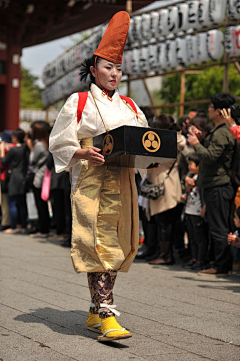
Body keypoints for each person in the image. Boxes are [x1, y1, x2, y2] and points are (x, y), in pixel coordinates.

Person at [49, 12, 148, 342]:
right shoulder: (78, 102)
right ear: (93, 69)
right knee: (98, 244)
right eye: (108, 67)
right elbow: (60, 142)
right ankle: (106, 311)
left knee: (119, 243)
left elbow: (146, 141)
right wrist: (81, 152)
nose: (115, 74)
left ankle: (94, 311)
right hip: (91, 179)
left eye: (119, 68)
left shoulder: (131, 106)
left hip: (122, 180)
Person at [188, 93, 235, 276]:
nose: (208, 110)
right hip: (213, 185)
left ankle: (221, 266)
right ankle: (221, 264)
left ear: (219, 111)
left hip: (218, 186)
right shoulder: (218, 130)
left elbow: (209, 157)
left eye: (210, 107)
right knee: (216, 227)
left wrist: (196, 144)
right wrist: (201, 139)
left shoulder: (223, 132)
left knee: (219, 228)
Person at [145, 114, 186, 266]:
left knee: (164, 222)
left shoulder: (162, 141)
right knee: (170, 221)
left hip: (162, 183)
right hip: (171, 182)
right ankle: (169, 253)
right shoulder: (177, 139)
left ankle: (166, 256)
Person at [182, 153, 208, 270]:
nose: (189, 166)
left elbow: (205, 195)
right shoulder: (190, 176)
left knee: (200, 238)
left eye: (191, 164)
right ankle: (194, 257)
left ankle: (201, 259)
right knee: (192, 237)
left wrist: (204, 208)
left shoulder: (202, 178)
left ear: (198, 166)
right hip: (189, 210)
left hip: (198, 212)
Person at [1, 128, 29, 234]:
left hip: (13, 177)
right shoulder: (25, 149)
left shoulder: (13, 150)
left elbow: (4, 161)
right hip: (23, 175)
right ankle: (23, 225)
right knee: (22, 203)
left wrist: (2, 151)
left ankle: (13, 226)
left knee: (12, 202)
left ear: (15, 138)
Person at [28, 122, 50, 237]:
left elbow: (32, 159)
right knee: (43, 203)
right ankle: (44, 228)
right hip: (44, 175)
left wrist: (31, 147)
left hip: (39, 177)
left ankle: (43, 229)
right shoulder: (46, 143)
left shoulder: (39, 145)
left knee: (40, 204)